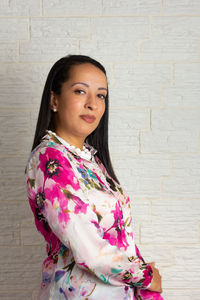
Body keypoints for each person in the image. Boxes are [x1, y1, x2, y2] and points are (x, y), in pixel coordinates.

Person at [24, 54, 163, 300]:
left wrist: (143, 285)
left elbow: (121, 240)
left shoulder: (91, 160)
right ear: (54, 99)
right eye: (80, 91)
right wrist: (145, 276)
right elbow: (87, 246)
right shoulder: (49, 158)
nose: (93, 103)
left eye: (101, 95)